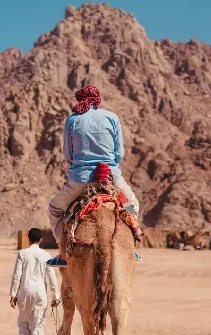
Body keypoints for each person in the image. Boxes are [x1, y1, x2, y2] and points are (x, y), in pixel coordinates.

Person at [46, 85, 142, 267]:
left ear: (79, 99)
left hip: (80, 180)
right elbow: (118, 153)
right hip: (111, 177)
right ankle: (131, 247)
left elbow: (68, 155)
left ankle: (62, 252)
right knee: (132, 206)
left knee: (55, 209)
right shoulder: (111, 117)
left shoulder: (72, 120)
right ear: (97, 99)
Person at [9, 228, 60, 335]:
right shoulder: (46, 255)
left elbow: (16, 275)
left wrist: (13, 294)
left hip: (24, 291)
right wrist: (56, 296)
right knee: (38, 323)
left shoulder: (22, 253)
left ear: (28, 239)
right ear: (41, 240)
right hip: (40, 293)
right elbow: (52, 277)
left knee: (23, 322)